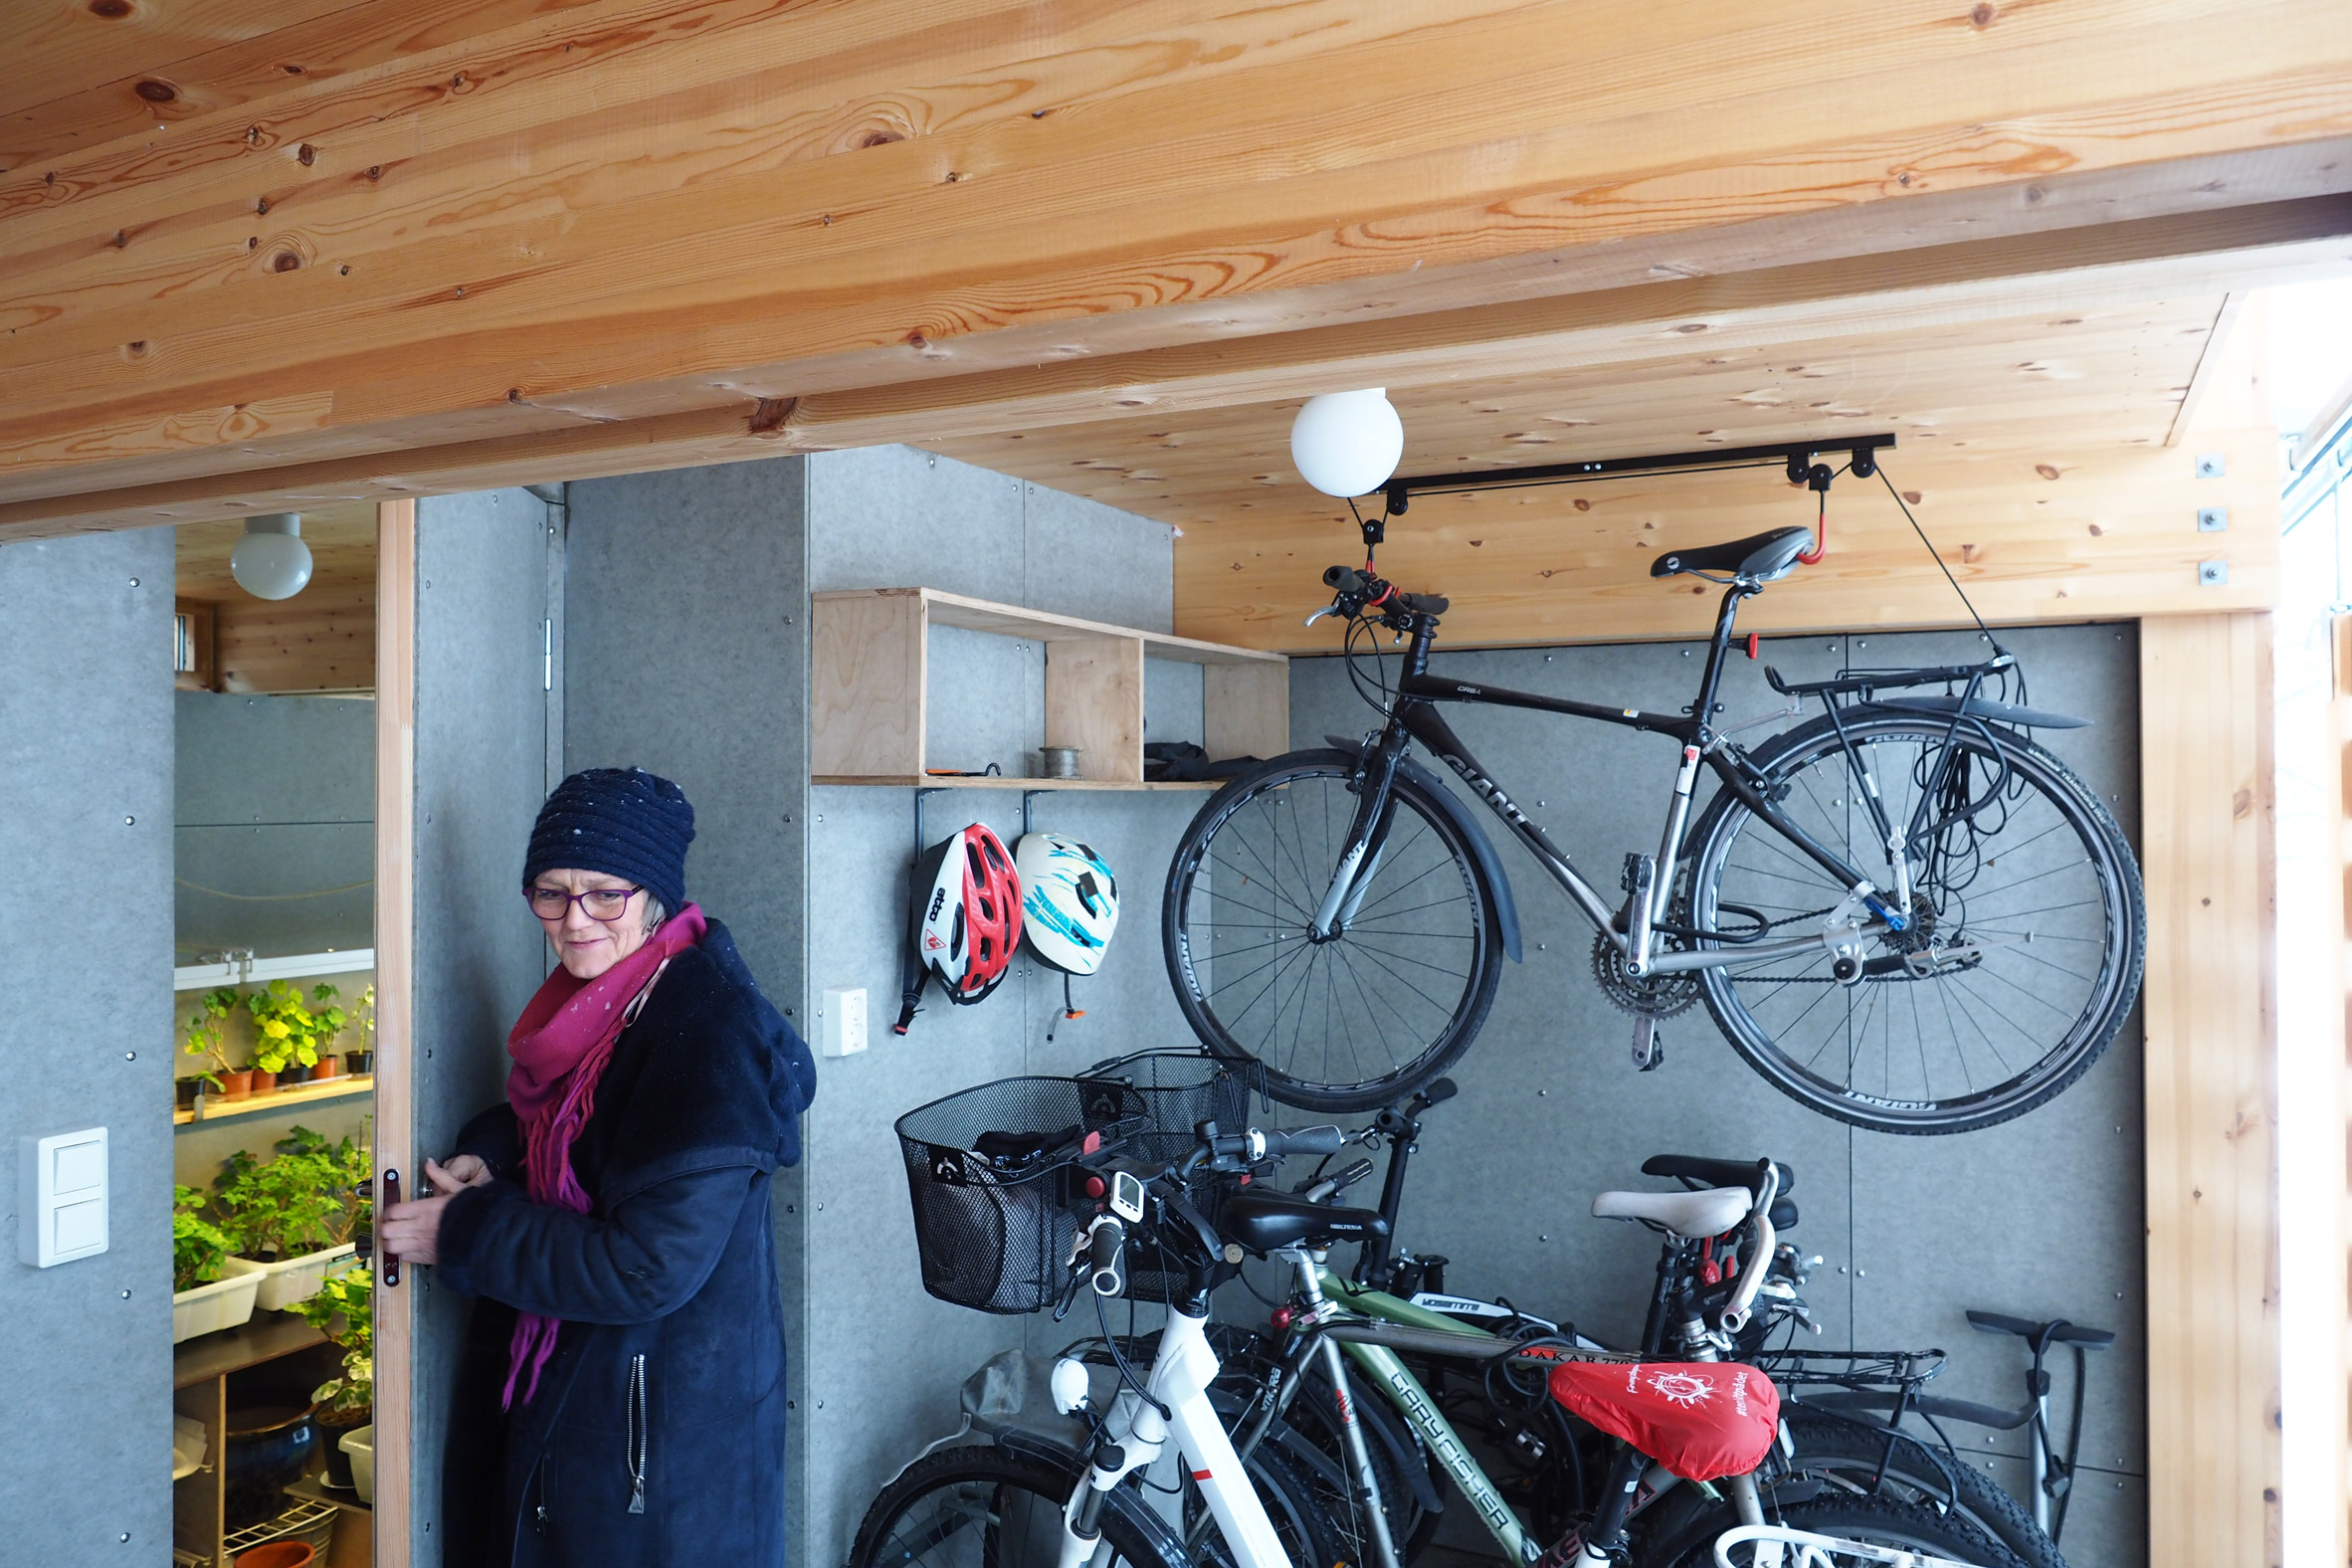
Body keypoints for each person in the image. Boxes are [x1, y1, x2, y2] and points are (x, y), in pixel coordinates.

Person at [380, 767, 817, 1567]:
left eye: (603, 895)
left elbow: (645, 1268)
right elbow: (557, 1123)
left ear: (653, 895)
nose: (574, 920)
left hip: (662, 1453)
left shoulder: (707, 1036)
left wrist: (465, 1232)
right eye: (551, 892)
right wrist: (491, 1153)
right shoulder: (609, 1007)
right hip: (611, 1419)